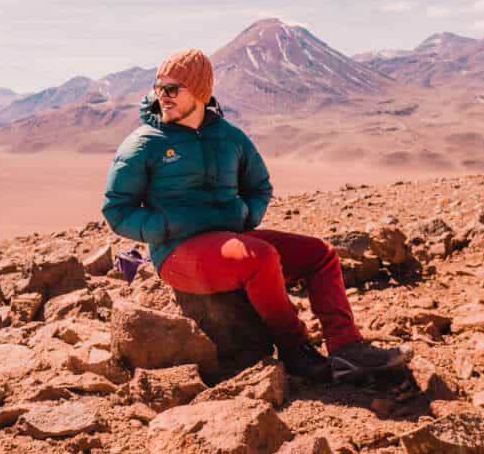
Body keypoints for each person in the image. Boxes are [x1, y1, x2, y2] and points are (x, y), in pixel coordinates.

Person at [102, 48, 412, 384]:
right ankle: (295, 349)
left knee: (319, 255)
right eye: (158, 87)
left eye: (172, 88)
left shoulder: (230, 137)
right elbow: (117, 209)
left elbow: (259, 186)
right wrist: (161, 227)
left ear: (200, 92)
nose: (162, 96)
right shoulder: (145, 143)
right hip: (178, 252)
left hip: (230, 242)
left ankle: (347, 349)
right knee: (261, 258)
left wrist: (246, 215)